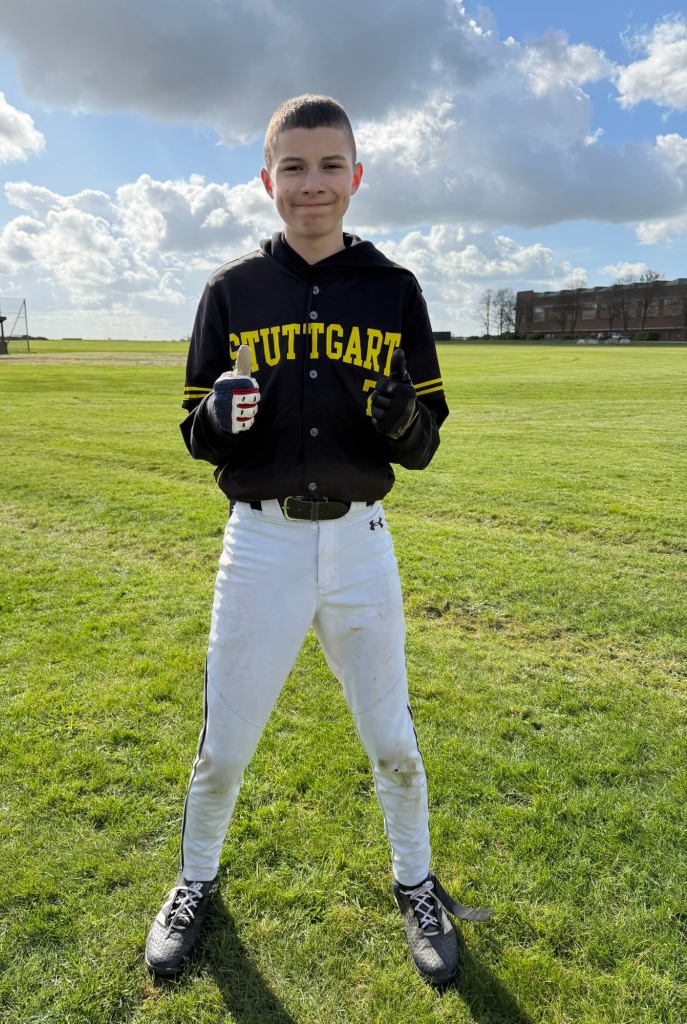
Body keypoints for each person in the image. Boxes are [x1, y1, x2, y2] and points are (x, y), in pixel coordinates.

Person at [145, 94, 490, 987]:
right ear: (267, 179)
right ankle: (193, 882)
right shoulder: (231, 290)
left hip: (361, 544)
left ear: (356, 176)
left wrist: (404, 420)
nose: (313, 184)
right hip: (260, 544)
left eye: (330, 165)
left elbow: (423, 445)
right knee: (223, 748)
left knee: (393, 742)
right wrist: (217, 419)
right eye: (294, 167)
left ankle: (415, 883)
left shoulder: (393, 289)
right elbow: (197, 434)